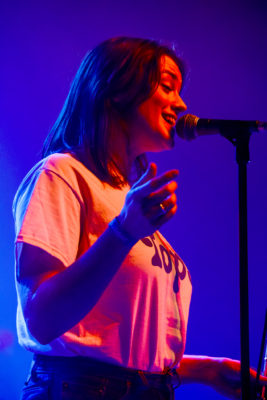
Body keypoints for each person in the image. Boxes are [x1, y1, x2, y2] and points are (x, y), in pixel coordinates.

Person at [13, 37, 266, 400]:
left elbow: (110, 341)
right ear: (116, 89)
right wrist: (121, 233)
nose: (181, 104)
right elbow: (42, 319)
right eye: (167, 86)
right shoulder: (63, 174)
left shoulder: (125, 200)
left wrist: (205, 369)